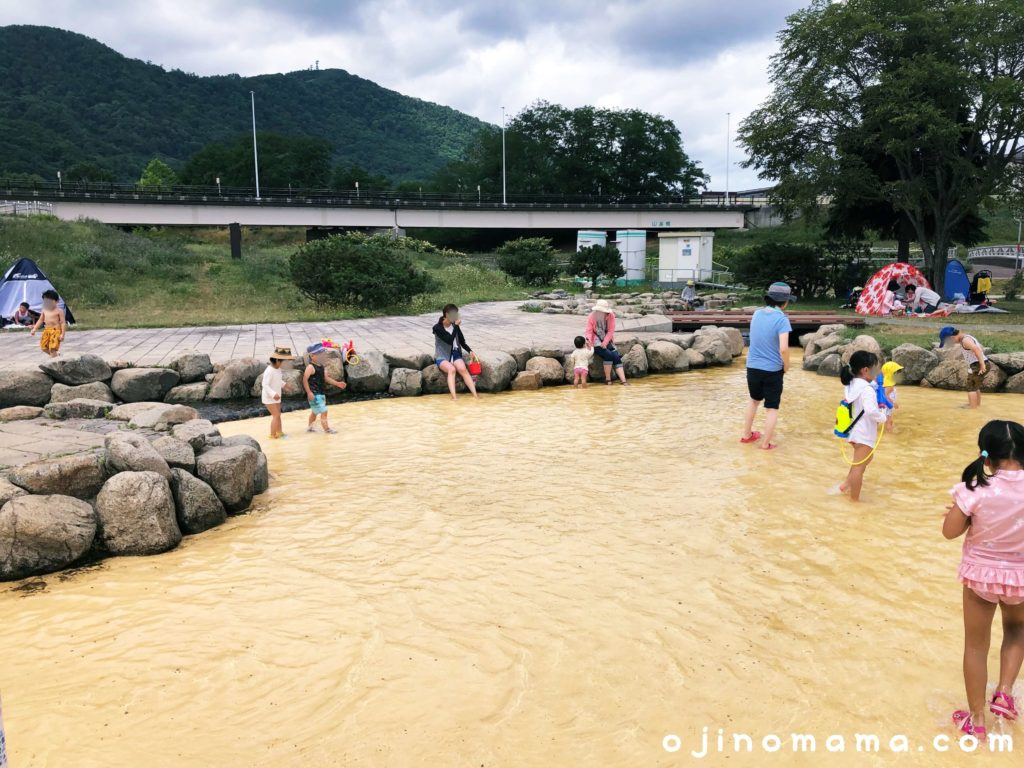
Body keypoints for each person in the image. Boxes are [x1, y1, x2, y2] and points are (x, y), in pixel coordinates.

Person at [943, 420, 1024, 739]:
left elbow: (950, 532)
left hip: (980, 577)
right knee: (1017, 632)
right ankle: (1004, 691)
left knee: (976, 646)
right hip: (1021, 577)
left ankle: (976, 721)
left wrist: (958, 514)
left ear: (985, 458)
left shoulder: (973, 489)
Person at [740, 282, 795, 450]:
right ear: (785, 302)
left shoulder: (756, 314)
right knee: (771, 408)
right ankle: (765, 444)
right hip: (772, 370)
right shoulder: (782, 320)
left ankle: (746, 435)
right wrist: (786, 366)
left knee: (754, 400)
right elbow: (784, 348)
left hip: (752, 367)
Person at [835, 350, 887, 501]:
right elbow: (871, 410)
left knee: (866, 460)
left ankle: (845, 485)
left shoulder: (852, 384)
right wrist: (882, 417)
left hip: (853, 432)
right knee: (859, 467)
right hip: (864, 433)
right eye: (874, 368)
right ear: (865, 370)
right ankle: (854, 501)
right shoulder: (867, 390)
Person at [432, 304, 479, 401]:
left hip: (455, 354)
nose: (456, 317)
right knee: (452, 369)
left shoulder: (454, 326)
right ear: (447, 314)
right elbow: (449, 340)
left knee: (463, 369)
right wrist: (456, 327)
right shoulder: (437, 328)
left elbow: (462, 341)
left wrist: (470, 351)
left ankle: (476, 396)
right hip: (442, 356)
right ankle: (454, 398)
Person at [303, 342, 347, 433]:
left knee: (314, 412)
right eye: (319, 354)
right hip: (314, 394)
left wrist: (337, 383)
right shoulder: (310, 367)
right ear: (312, 355)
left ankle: (310, 428)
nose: (322, 356)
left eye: (322, 354)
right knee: (324, 410)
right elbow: (304, 380)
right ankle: (327, 429)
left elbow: (326, 378)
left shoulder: (322, 366)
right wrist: (309, 392)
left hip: (321, 393)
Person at [939, 327, 988, 409]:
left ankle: (972, 408)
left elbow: (977, 349)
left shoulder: (965, 341)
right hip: (978, 364)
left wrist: (982, 364)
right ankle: (976, 405)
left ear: (951, 337)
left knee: (971, 387)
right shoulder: (967, 337)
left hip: (978, 365)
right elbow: (979, 348)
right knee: (975, 386)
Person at [585, 299, 628, 386]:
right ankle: (608, 380)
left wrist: (605, 342)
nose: (599, 313)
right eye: (598, 311)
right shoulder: (591, 316)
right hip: (595, 339)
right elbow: (589, 331)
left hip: (607, 338)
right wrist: (588, 340)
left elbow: (610, 331)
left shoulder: (611, 316)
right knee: (608, 354)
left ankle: (624, 381)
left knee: (616, 356)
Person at [262, 346, 295, 439]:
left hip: (276, 396)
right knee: (276, 415)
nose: (286, 364)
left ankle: (279, 432)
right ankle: (272, 435)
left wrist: (285, 385)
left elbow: (278, 380)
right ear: (277, 361)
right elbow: (265, 384)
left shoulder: (278, 369)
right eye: (285, 362)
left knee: (278, 415)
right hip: (269, 397)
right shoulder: (269, 371)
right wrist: (273, 394)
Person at [29, 289, 66, 357]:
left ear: (57, 301)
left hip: (56, 331)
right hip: (47, 330)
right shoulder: (44, 310)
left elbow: (63, 323)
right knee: (44, 347)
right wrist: (34, 329)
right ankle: (55, 356)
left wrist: (62, 334)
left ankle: (54, 361)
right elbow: (40, 320)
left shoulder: (59, 311)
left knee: (52, 348)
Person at [879, 361, 903, 434]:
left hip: (884, 405)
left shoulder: (884, 382)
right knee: (889, 421)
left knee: (886, 421)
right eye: (896, 373)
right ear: (891, 373)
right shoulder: (889, 385)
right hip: (887, 406)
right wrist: (893, 403)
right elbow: (885, 395)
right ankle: (889, 437)